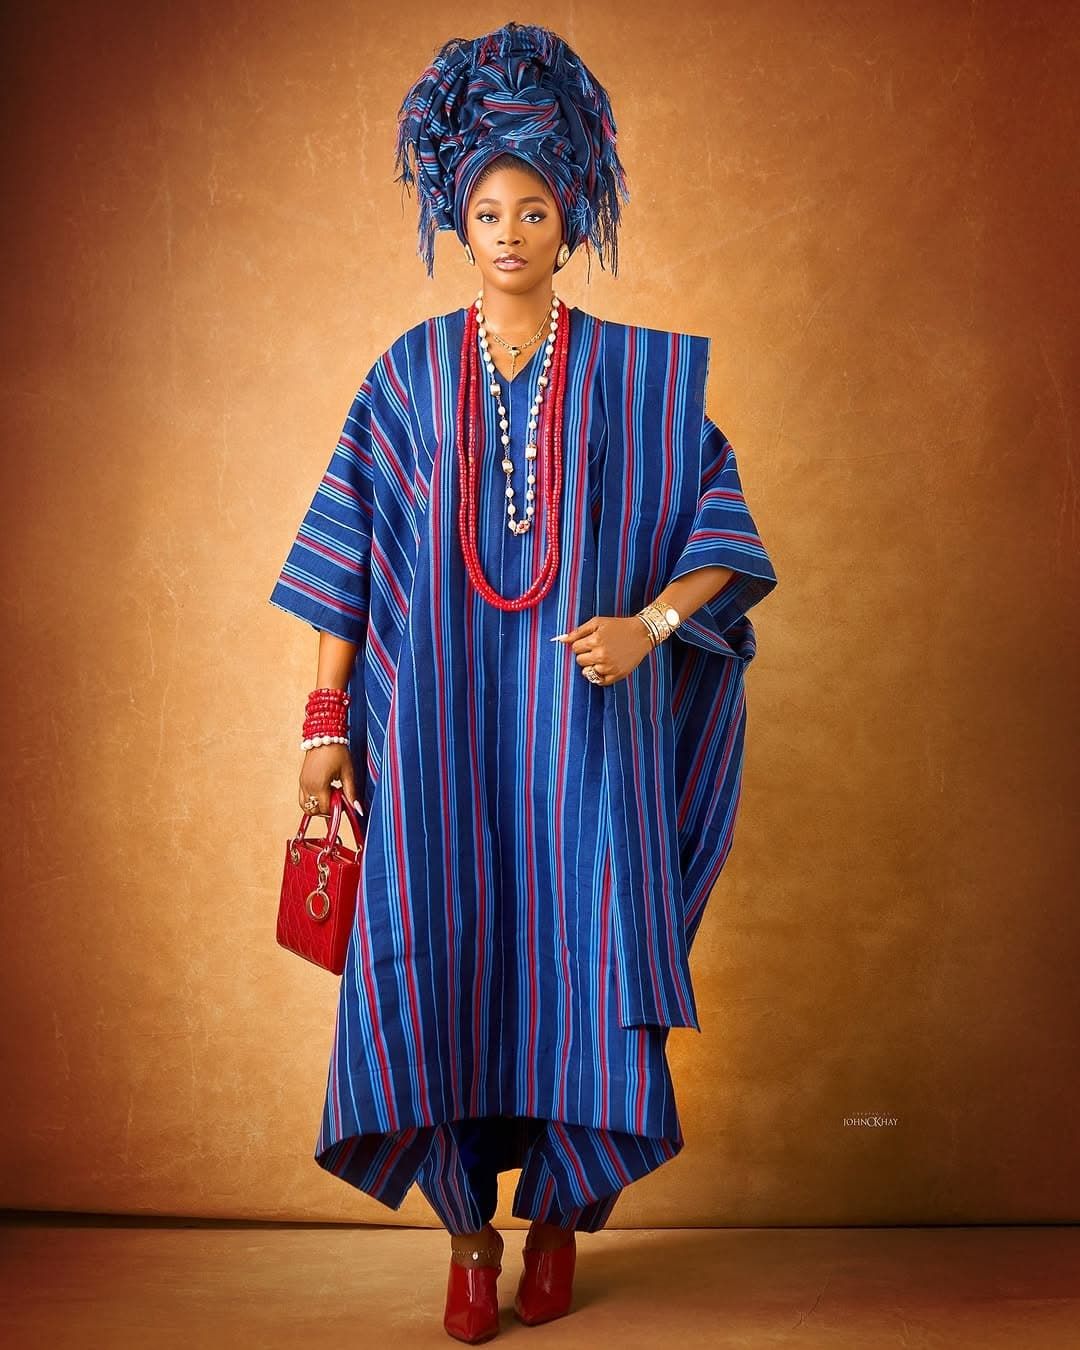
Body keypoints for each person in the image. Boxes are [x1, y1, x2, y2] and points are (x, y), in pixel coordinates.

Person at [268, 21, 778, 1345]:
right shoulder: (403, 376)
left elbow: (725, 527)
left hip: (584, 738)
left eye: (533, 207)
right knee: (435, 964)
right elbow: (351, 554)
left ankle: (559, 1216)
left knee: (581, 963)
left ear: (573, 219)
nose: (506, 230)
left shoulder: (637, 378)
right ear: (456, 216)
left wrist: (652, 623)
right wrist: (325, 724)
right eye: (484, 207)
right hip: (436, 737)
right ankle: (468, 1235)